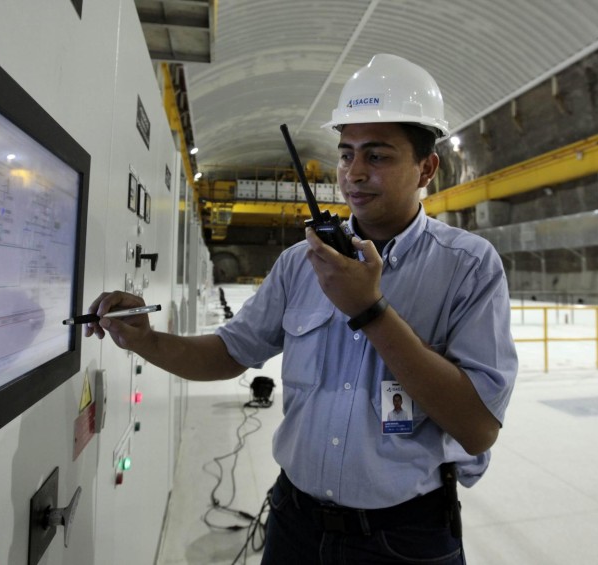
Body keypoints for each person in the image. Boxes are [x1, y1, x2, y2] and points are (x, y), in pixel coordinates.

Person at [86, 53, 518, 564]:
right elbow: (230, 353)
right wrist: (145, 339)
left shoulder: (466, 266)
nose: (354, 173)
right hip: (296, 526)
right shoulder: (300, 264)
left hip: (405, 538)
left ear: (426, 167)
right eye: (346, 154)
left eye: (377, 156)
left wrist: (370, 310)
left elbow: (478, 427)